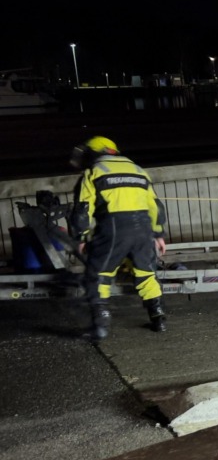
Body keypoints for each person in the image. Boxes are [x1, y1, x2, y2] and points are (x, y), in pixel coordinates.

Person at [69, 136, 168, 341]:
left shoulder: (93, 172)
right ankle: (158, 317)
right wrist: (158, 235)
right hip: (143, 229)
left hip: (112, 228)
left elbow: (82, 210)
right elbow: (156, 207)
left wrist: (79, 237)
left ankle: (101, 326)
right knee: (146, 272)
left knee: (99, 274)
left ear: (93, 153)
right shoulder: (138, 170)